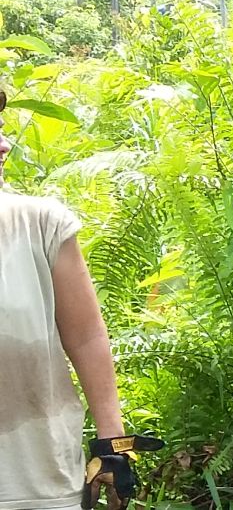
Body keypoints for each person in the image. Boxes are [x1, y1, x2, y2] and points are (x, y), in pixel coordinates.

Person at [0, 87, 159, 510]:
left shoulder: (40, 225)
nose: (3, 144)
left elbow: (87, 338)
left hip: (39, 478)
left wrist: (114, 443)